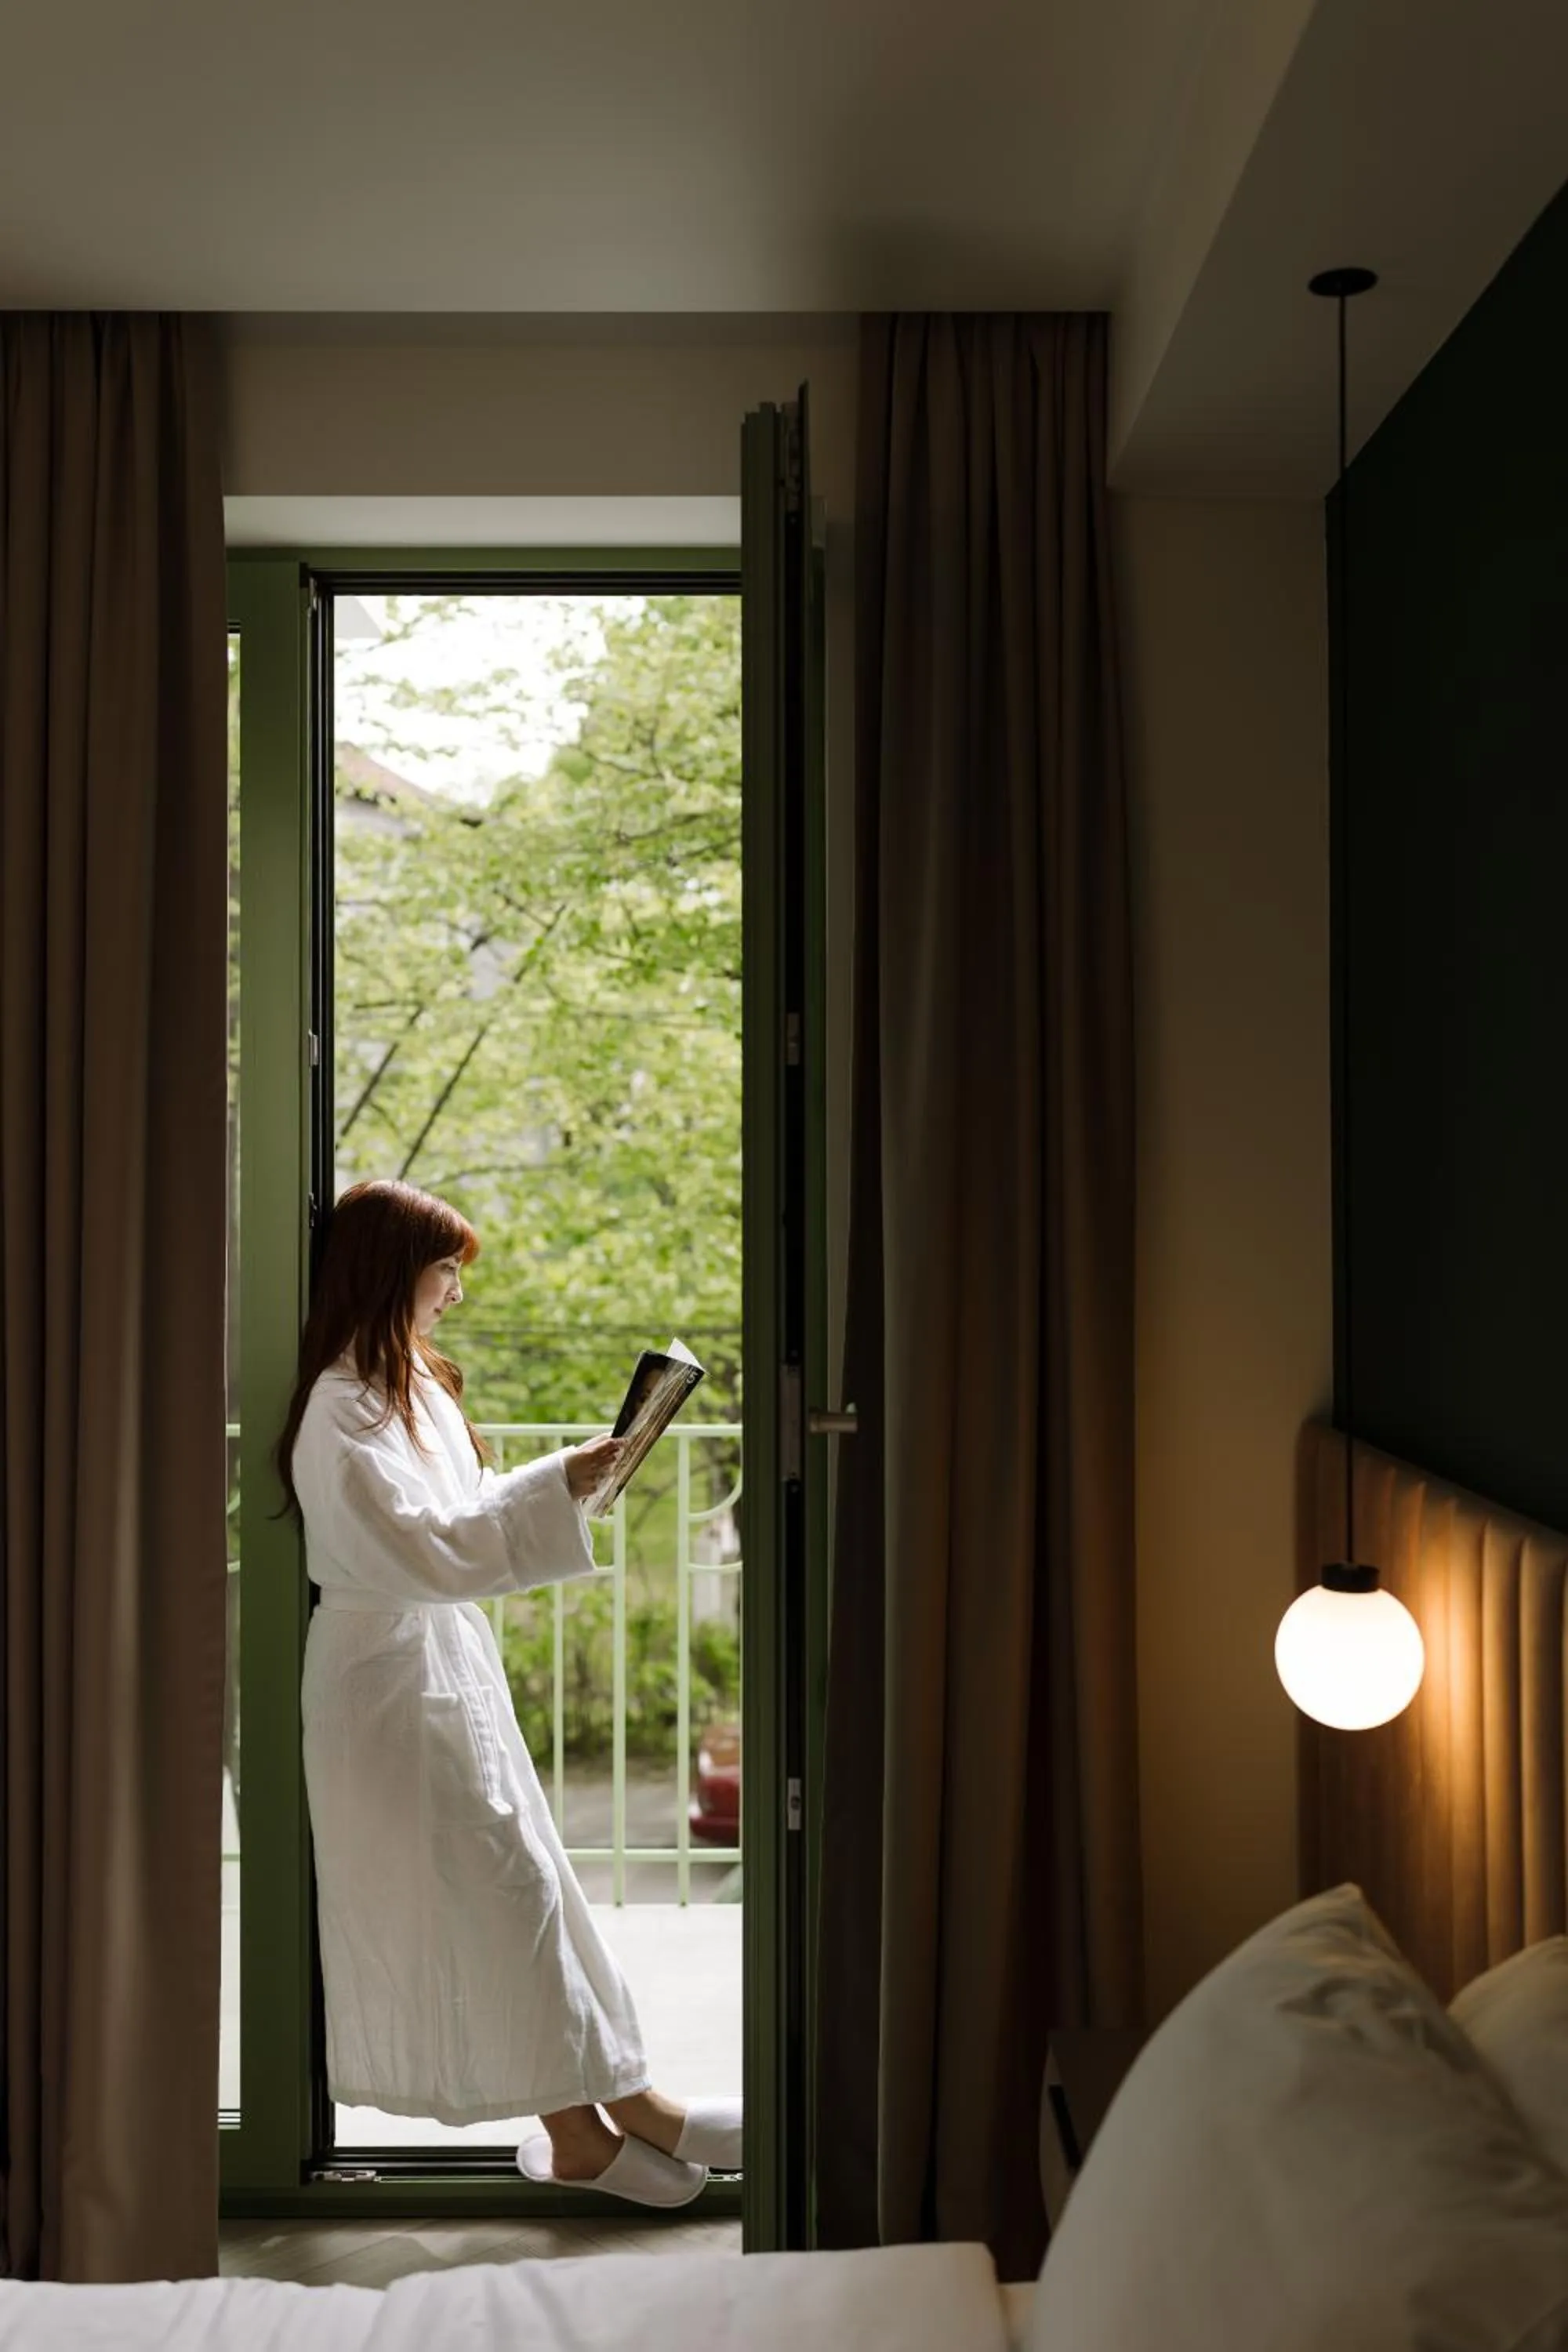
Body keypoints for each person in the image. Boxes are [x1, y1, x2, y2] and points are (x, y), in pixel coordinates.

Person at [276, 1178, 742, 2207]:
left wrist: (564, 1476)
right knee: (502, 1899)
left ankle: (623, 2109)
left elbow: (458, 1517)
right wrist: (557, 1487)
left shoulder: (408, 1388)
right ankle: (594, 2124)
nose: (453, 1293)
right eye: (445, 1271)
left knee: (524, 1891)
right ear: (394, 1272)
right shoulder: (337, 1410)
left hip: (437, 1671)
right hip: (388, 1691)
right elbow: (420, 1548)